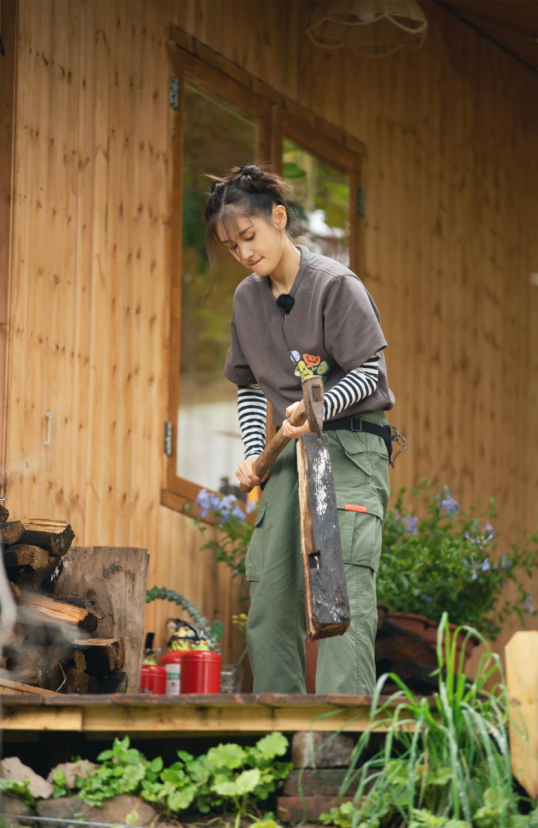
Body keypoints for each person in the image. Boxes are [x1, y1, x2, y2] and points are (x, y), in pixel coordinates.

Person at [202, 161, 399, 695]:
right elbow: (248, 386)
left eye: (249, 236)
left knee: (341, 596)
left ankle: (340, 751)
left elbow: (370, 374)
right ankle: (283, 750)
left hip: (351, 446)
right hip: (288, 453)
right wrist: (251, 451)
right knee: (268, 599)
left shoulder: (336, 284)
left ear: (279, 218)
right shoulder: (247, 300)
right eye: (232, 247)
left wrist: (317, 409)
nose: (245, 253)